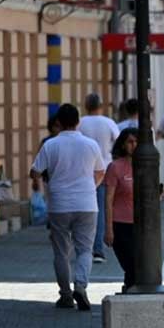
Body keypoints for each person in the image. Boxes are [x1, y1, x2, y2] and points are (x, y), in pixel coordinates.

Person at [30, 104, 105, 312]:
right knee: (85, 250)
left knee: (61, 252)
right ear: (78, 121)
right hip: (87, 204)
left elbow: (35, 172)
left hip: (59, 204)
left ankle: (65, 295)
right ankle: (80, 285)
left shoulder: (51, 145)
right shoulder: (91, 145)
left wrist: (44, 179)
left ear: (59, 123)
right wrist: (91, 187)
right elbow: (100, 172)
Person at [78, 93, 120, 265]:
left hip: (84, 170)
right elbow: (118, 142)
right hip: (104, 168)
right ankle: (98, 250)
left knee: (83, 210)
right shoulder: (108, 122)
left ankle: (84, 248)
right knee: (101, 209)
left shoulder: (80, 122)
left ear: (86, 105)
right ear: (101, 106)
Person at [104, 129, 138, 292]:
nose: (134, 145)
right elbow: (108, 199)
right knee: (131, 264)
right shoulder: (115, 167)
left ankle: (130, 292)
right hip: (120, 224)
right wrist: (108, 229)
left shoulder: (146, 166)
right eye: (130, 142)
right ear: (123, 145)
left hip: (140, 225)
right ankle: (130, 291)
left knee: (138, 266)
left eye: (137, 142)